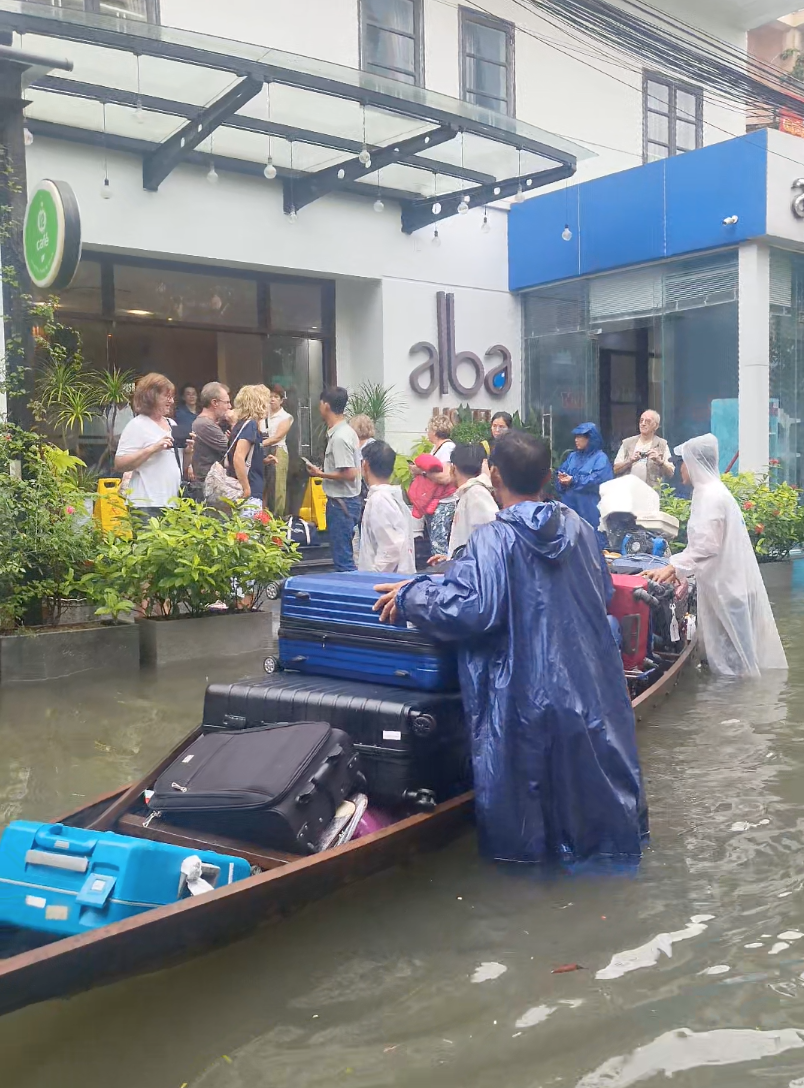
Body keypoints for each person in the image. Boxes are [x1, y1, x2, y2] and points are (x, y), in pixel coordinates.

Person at [373, 432, 646, 866]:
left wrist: (412, 595)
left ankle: (531, 893)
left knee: (529, 818)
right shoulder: (579, 529)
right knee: (592, 808)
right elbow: (602, 590)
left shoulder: (493, 539)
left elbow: (471, 608)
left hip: (524, 696)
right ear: (547, 475)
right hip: (588, 691)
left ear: (494, 474)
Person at [649, 434, 787, 678]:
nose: (681, 467)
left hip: (728, 590)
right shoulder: (711, 491)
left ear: (694, 463)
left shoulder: (710, 496)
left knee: (734, 665)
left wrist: (672, 567)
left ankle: (736, 709)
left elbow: (705, 547)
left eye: (684, 461)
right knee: (735, 657)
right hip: (728, 585)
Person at [115, 373, 190, 517]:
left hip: (172, 502)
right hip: (146, 503)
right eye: (167, 397)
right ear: (151, 397)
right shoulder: (137, 425)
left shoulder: (171, 424)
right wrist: (153, 448)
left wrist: (188, 451)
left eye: (172, 397)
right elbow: (120, 464)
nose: (171, 401)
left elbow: (181, 466)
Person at [306, 387, 362, 571]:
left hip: (341, 504)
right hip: (345, 502)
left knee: (343, 559)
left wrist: (320, 474)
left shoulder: (339, 437)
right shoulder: (346, 432)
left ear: (326, 405)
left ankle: (351, 595)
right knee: (343, 555)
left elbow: (350, 473)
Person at [429, 443, 498, 563]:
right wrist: (450, 559)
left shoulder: (476, 494)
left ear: (453, 468)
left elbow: (492, 540)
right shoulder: (469, 493)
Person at [357, 440, 415, 574]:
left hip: (383, 584)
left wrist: (375, 576)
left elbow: (392, 547)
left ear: (365, 465)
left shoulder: (380, 500)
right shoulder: (390, 497)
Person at [556, 423, 613, 547]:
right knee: (570, 539)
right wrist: (561, 480)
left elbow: (599, 480)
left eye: (580, 436)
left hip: (590, 507)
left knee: (593, 541)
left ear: (590, 438)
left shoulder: (600, 458)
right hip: (570, 506)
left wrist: (574, 481)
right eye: (575, 436)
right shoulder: (572, 457)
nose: (576, 440)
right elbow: (561, 472)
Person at [228, 384, 275, 517]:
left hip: (241, 490)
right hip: (250, 492)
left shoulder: (240, 425)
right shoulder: (251, 426)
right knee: (250, 535)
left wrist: (263, 460)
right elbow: (238, 458)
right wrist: (247, 488)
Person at [613, 410, 674, 490]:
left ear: (656, 426)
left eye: (648, 421)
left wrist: (660, 462)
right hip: (629, 493)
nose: (643, 424)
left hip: (651, 493)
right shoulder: (627, 443)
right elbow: (615, 469)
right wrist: (630, 461)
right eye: (641, 420)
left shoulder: (662, 444)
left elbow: (671, 473)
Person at [191, 382, 232, 486]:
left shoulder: (209, 423)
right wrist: (234, 423)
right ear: (214, 403)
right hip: (208, 486)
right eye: (226, 402)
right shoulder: (205, 424)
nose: (230, 406)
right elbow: (233, 449)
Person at [262, 385, 293, 517]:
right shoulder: (263, 414)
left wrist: (259, 443)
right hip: (263, 451)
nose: (272, 399)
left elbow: (278, 437)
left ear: (281, 400)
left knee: (278, 485)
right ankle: (262, 515)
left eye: (276, 397)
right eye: (270, 396)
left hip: (278, 449)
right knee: (264, 484)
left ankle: (278, 516)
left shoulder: (286, 417)